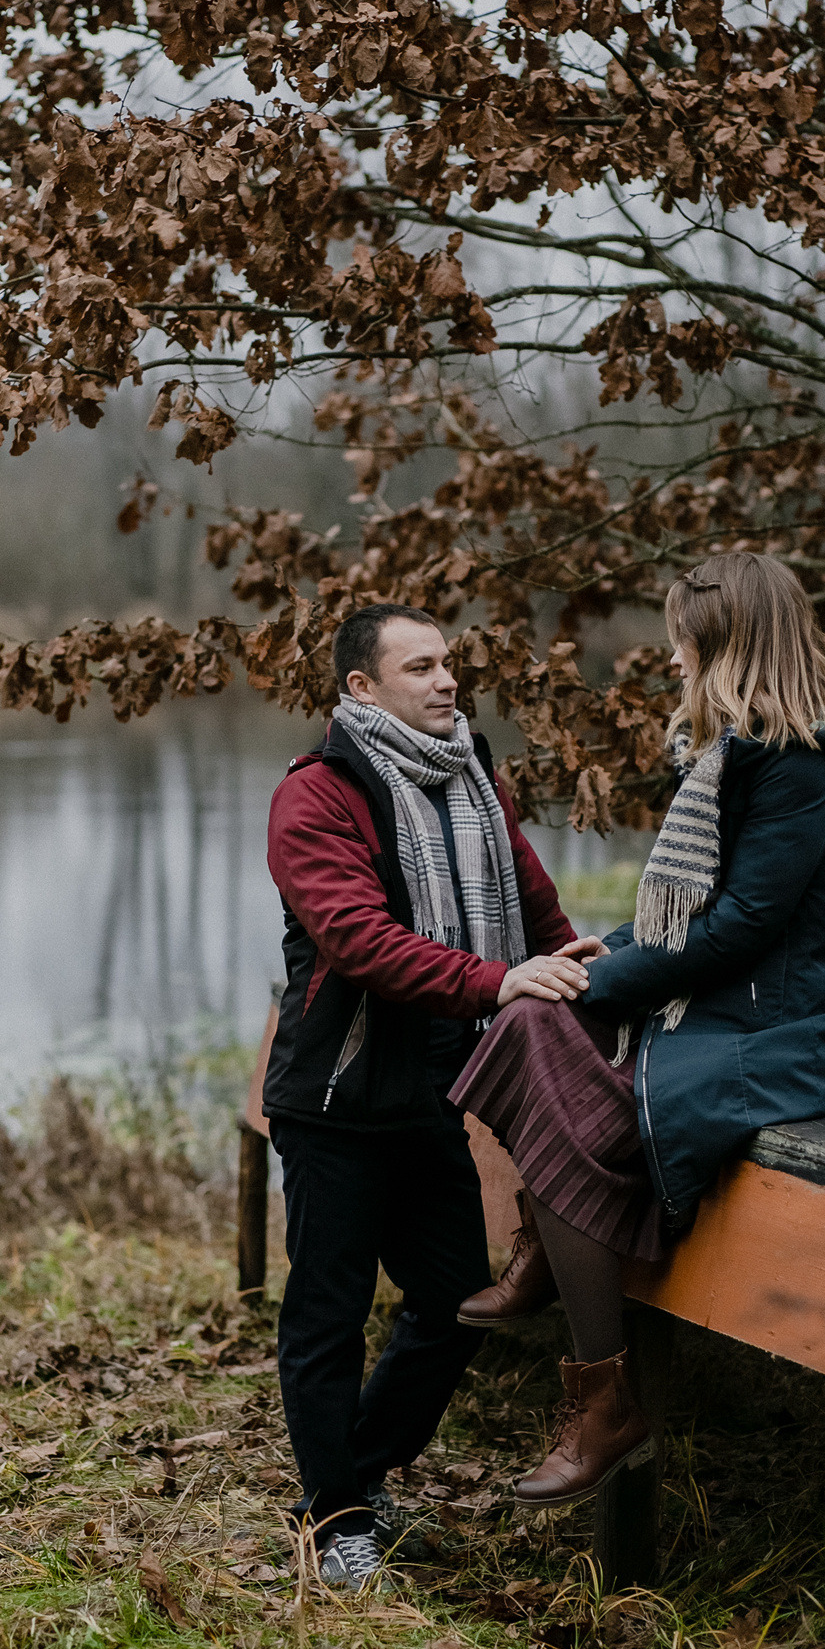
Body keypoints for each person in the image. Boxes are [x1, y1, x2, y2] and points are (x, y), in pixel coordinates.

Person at [453, 552, 825, 1513]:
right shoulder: (738, 753)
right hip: (726, 1010)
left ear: (731, 646)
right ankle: (574, 1322)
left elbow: (739, 928)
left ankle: (603, 1393)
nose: (674, 663)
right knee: (532, 1014)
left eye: (684, 645)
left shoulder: (802, 769)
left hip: (784, 1033)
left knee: (580, 1109)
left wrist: (603, 980)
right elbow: (699, 920)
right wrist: (603, 958)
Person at [264, 602, 598, 1590]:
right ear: (360, 688)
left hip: (426, 1095)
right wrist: (496, 981)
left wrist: (572, 967)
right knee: (325, 1314)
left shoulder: (471, 781)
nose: (447, 681)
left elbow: (533, 907)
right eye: (420, 667)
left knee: (456, 1304)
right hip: (332, 1103)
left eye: (449, 663)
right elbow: (358, 943)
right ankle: (338, 1525)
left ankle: (346, 1481)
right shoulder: (316, 797)